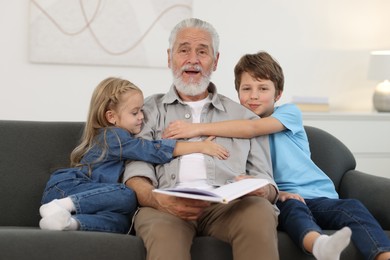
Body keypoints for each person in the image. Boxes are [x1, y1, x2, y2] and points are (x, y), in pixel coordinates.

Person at [163, 51, 390, 260]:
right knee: (294, 209)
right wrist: (278, 193)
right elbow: (240, 174)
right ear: (238, 92)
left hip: (321, 196)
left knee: (351, 207)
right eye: (246, 88)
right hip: (280, 200)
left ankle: (383, 255)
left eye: (263, 89)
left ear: (278, 93)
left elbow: (253, 128)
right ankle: (320, 246)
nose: (254, 96)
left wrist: (197, 128)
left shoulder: (288, 113)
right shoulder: (233, 133)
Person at [123, 19, 280, 260]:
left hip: (228, 207)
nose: (193, 59)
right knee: (164, 234)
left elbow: (267, 183)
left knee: (260, 210)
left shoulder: (245, 117)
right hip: (166, 205)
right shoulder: (147, 111)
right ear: (169, 57)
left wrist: (262, 191)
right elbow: (135, 169)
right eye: (184, 50)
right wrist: (156, 198)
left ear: (215, 61)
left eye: (202, 51)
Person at [39, 77, 229, 234]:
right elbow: (150, 150)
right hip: (67, 188)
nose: (141, 117)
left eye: (142, 111)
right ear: (111, 117)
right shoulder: (112, 135)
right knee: (128, 194)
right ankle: (60, 206)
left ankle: (66, 222)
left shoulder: (121, 138)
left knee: (123, 223)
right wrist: (200, 146)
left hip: (89, 200)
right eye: (134, 112)